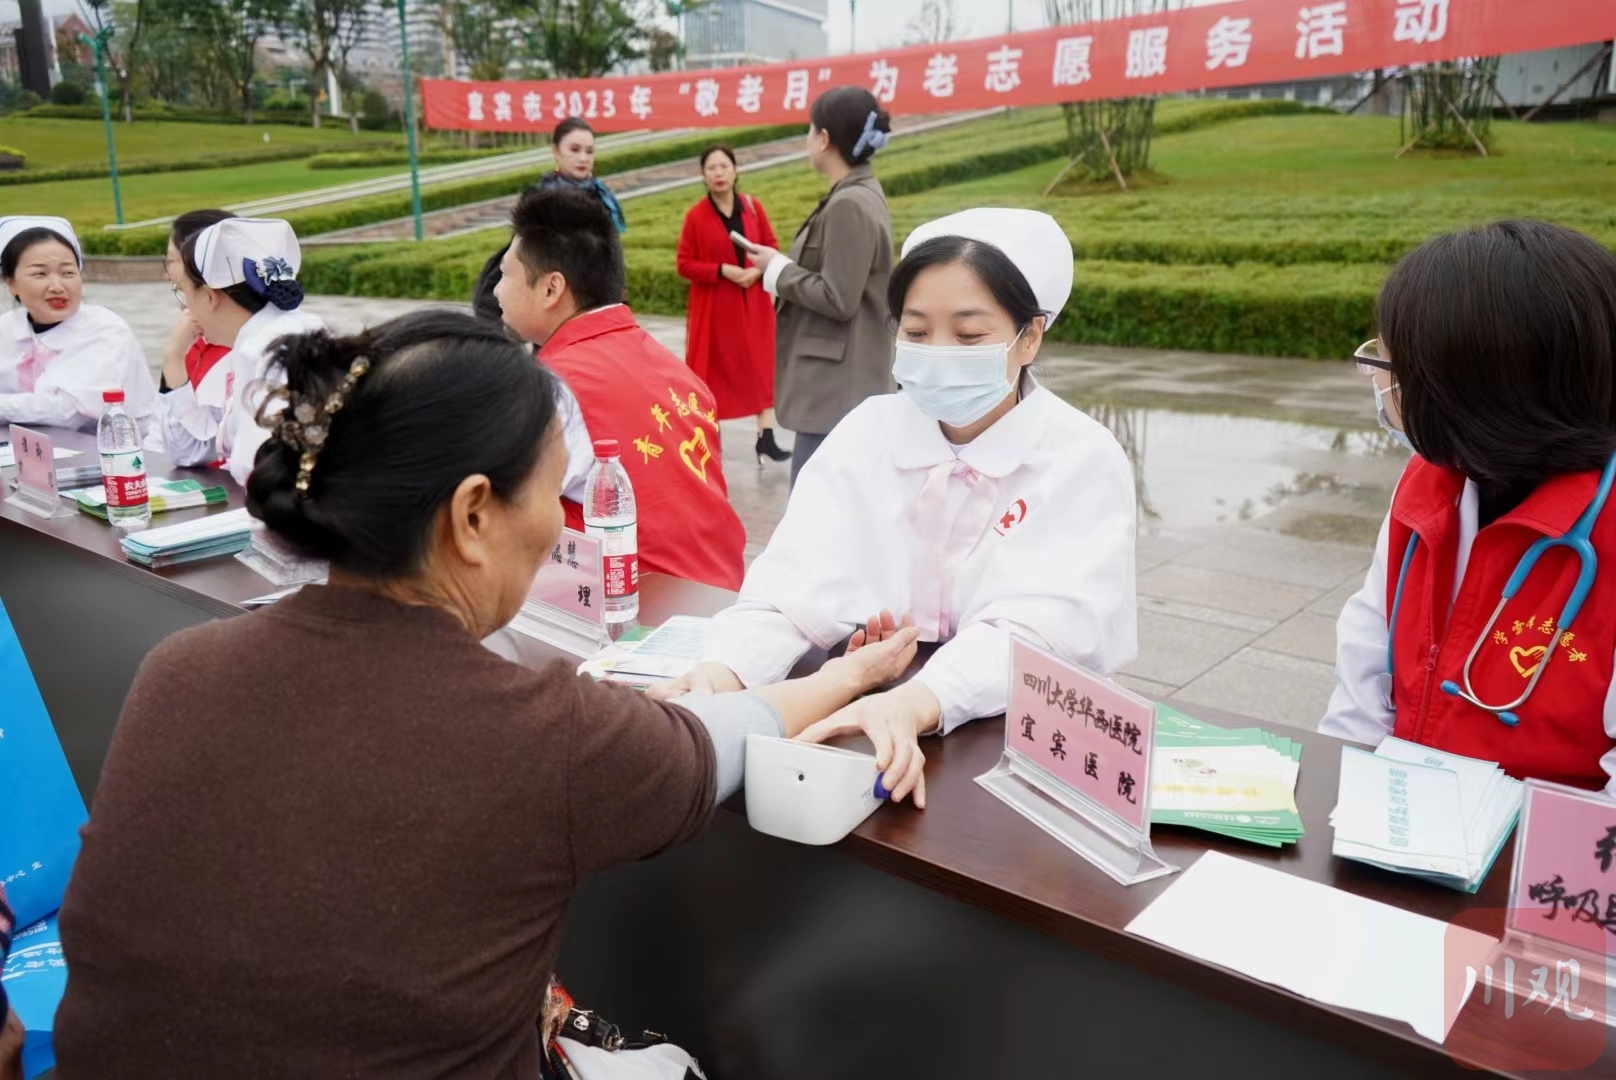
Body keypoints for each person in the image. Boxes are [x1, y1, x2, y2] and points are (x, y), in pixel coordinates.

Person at [51, 310, 921, 1077]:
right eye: (550, 491)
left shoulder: (178, 670)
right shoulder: (542, 737)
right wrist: (856, 675)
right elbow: (723, 738)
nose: (557, 524)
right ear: (472, 516)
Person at [660, 209, 1139, 805]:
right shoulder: (867, 432)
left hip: (1014, 746)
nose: (938, 353)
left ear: (1031, 336)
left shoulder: (1078, 458)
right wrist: (727, 671)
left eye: (968, 336)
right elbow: (792, 585)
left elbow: (1040, 634)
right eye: (914, 332)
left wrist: (919, 700)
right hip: (864, 721)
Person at [1322, 220, 1616, 791]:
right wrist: (1343, 790)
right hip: (1402, 823)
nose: (1378, 386)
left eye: (1386, 370)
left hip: (1538, 858)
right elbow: (1368, 650)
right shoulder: (1428, 484)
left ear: (1470, 394)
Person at [495, 186, 747, 591]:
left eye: (505, 275)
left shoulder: (551, 387)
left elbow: (496, 517)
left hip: (634, 620)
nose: (496, 291)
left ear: (550, 289)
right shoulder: (680, 373)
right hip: (723, 597)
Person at [738, 86, 895, 484]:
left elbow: (839, 297)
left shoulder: (849, 204)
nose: (807, 140)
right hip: (839, 389)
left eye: (810, 131)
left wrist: (778, 272)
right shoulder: (855, 195)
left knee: (813, 519)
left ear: (824, 139)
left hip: (835, 391)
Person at [165, 216, 325, 484]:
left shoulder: (272, 353)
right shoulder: (280, 335)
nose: (186, 307)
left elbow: (257, 469)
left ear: (209, 296)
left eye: (184, 292)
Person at [676, 144, 790, 464]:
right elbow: (684, 264)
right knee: (713, 373)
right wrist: (722, 270)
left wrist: (756, 270)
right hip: (716, 308)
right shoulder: (696, 216)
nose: (718, 173)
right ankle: (708, 443)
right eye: (711, 168)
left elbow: (771, 246)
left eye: (724, 166)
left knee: (760, 365)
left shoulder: (753, 208)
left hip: (752, 302)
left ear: (735, 171)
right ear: (703, 175)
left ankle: (765, 436)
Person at [0, 215, 157, 435]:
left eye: (68, 273)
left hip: (121, 455)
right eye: (40, 274)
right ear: (11, 283)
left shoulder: (106, 330)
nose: (57, 286)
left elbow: (69, 412)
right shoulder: (6, 328)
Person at [157, 210, 233, 395]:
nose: (167, 275)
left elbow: (184, 423)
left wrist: (174, 356)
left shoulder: (238, 350)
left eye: (171, 261)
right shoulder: (195, 339)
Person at [533, 117, 625, 233]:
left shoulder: (601, 193)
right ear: (556, 152)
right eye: (575, 150)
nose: (583, 158)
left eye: (589, 151)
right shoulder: (542, 201)